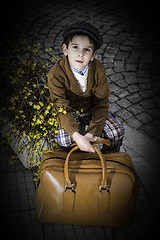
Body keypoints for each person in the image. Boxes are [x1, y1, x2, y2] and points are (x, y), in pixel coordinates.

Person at [48, 22, 124, 153]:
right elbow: (60, 106)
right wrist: (76, 135)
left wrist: (91, 133)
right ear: (65, 49)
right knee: (64, 139)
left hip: (90, 110)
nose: (80, 54)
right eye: (75, 47)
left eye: (87, 50)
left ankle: (110, 157)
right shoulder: (56, 74)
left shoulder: (98, 70)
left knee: (116, 131)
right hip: (69, 112)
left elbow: (101, 103)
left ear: (93, 55)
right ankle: (72, 158)